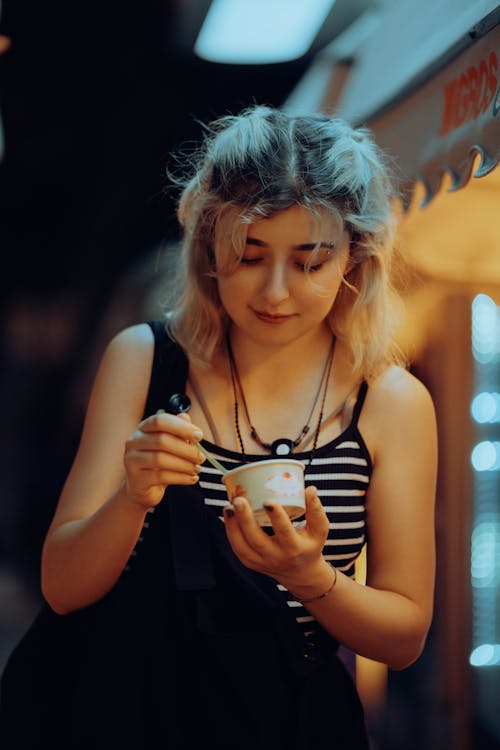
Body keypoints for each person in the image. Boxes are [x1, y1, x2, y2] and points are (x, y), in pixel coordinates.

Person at [0, 105, 437, 749]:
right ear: (208, 247)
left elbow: (403, 639)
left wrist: (310, 576)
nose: (276, 292)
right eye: (250, 255)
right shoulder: (144, 361)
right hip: (136, 717)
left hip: (292, 724)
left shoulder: (391, 402)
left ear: (354, 255)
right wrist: (132, 495)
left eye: (310, 262)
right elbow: (62, 588)